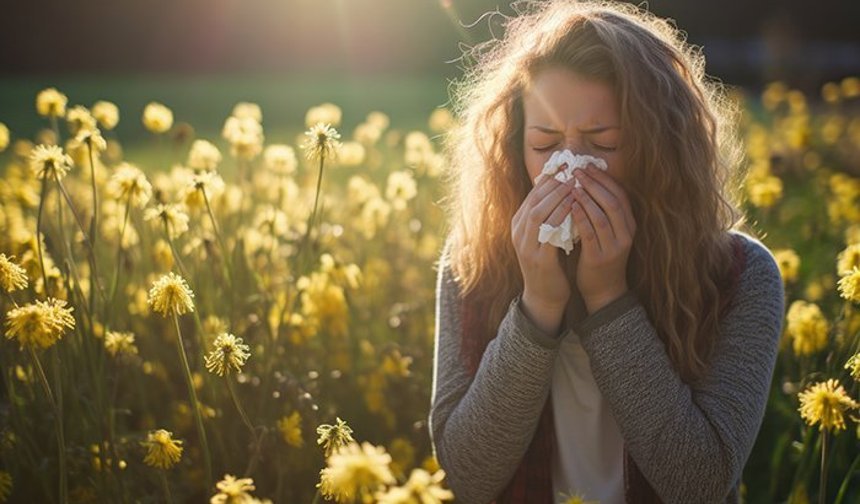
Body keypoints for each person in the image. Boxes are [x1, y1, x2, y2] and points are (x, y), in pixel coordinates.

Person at [427, 1, 785, 503]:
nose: (570, 168)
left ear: (660, 148)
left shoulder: (740, 276)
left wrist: (609, 298)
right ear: (514, 148)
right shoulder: (472, 262)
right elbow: (467, 473)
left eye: (604, 142)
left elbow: (700, 483)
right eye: (545, 143)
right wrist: (538, 307)